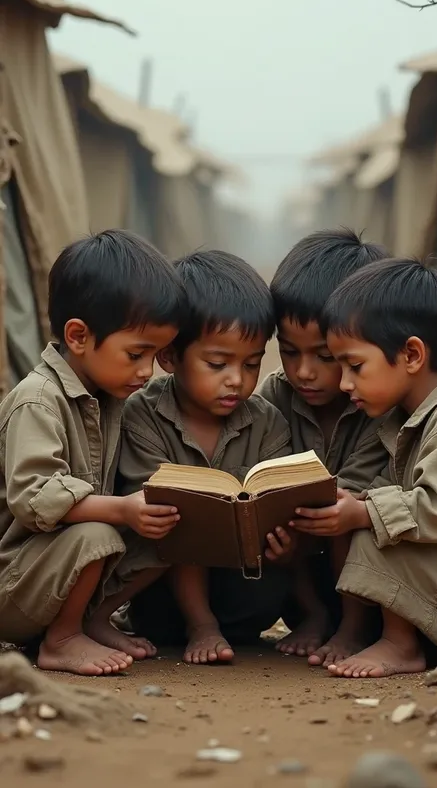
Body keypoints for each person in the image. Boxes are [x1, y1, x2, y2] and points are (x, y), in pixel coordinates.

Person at [0, 230, 185, 676]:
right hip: (16, 582)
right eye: (137, 353)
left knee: (171, 529)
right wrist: (121, 509)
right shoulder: (38, 400)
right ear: (79, 337)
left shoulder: (109, 396)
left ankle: (94, 620)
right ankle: (61, 641)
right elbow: (34, 496)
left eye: (158, 355)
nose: (146, 371)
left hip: (63, 577)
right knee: (99, 532)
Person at [300, 257, 437, 677]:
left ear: (412, 354)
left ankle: (400, 646)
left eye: (355, 366)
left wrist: (363, 510)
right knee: (367, 517)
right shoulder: (402, 422)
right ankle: (374, 633)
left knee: (379, 528)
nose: (344, 383)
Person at [119, 250, 293, 665]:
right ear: (170, 356)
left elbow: (280, 502)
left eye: (252, 364)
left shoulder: (267, 421)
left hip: (243, 585)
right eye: (217, 363)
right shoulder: (143, 414)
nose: (237, 379)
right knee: (177, 519)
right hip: (160, 590)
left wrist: (285, 539)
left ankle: (312, 619)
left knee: (275, 581)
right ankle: (200, 625)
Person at [258, 230, 390, 666]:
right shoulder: (276, 396)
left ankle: (353, 631)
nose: (303, 372)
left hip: (369, 568)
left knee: (348, 509)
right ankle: (313, 616)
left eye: (325, 356)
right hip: (301, 565)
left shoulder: (380, 405)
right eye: (289, 352)